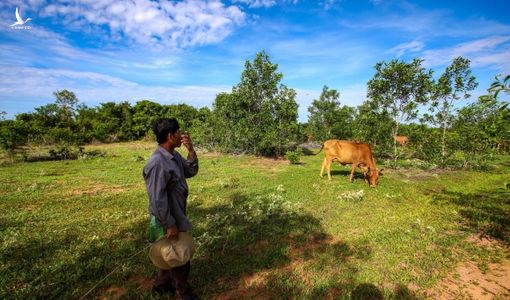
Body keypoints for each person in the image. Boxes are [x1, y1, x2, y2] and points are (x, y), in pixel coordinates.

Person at [143, 118, 199, 300]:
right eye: (178, 133)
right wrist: (169, 224)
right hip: (166, 217)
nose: (180, 136)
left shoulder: (173, 156)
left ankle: (161, 286)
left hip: (175, 214)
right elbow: (157, 200)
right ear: (170, 136)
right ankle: (184, 293)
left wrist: (190, 150)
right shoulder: (158, 163)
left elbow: (191, 171)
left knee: (168, 251)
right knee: (178, 255)